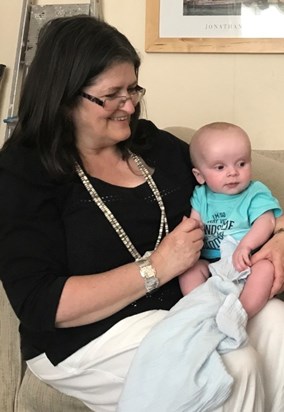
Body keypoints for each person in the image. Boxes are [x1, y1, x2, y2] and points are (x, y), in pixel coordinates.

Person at [0, 15, 284, 412]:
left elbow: (237, 196)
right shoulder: (24, 170)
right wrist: (157, 267)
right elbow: (40, 303)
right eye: (112, 94)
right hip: (86, 334)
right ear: (64, 96)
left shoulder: (153, 144)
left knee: (276, 322)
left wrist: (281, 238)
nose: (130, 105)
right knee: (227, 365)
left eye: (133, 88)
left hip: (185, 305)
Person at [179, 122, 282, 320]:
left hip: (248, 260)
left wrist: (245, 246)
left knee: (266, 268)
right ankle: (202, 310)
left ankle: (241, 313)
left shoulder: (255, 192)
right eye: (220, 167)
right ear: (199, 176)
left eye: (241, 163)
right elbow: (195, 223)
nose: (233, 172)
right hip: (211, 263)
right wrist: (191, 229)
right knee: (189, 270)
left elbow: (266, 221)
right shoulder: (201, 195)